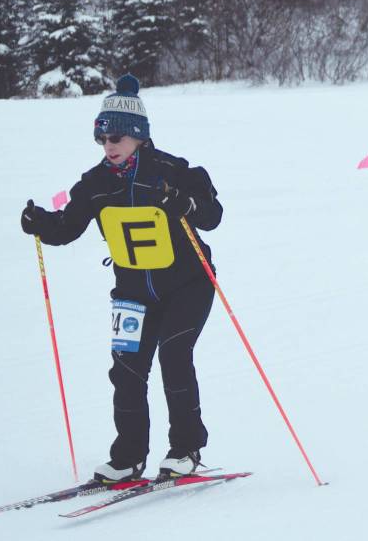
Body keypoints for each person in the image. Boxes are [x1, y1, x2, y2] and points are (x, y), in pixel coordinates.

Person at [20, 74, 223, 483]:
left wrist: (183, 201)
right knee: (126, 370)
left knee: (174, 356)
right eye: (102, 139)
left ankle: (186, 449)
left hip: (189, 284)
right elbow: (67, 227)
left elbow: (212, 215)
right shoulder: (95, 185)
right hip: (132, 293)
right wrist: (40, 224)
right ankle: (128, 457)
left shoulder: (170, 171)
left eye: (117, 138)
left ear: (139, 138)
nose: (109, 146)